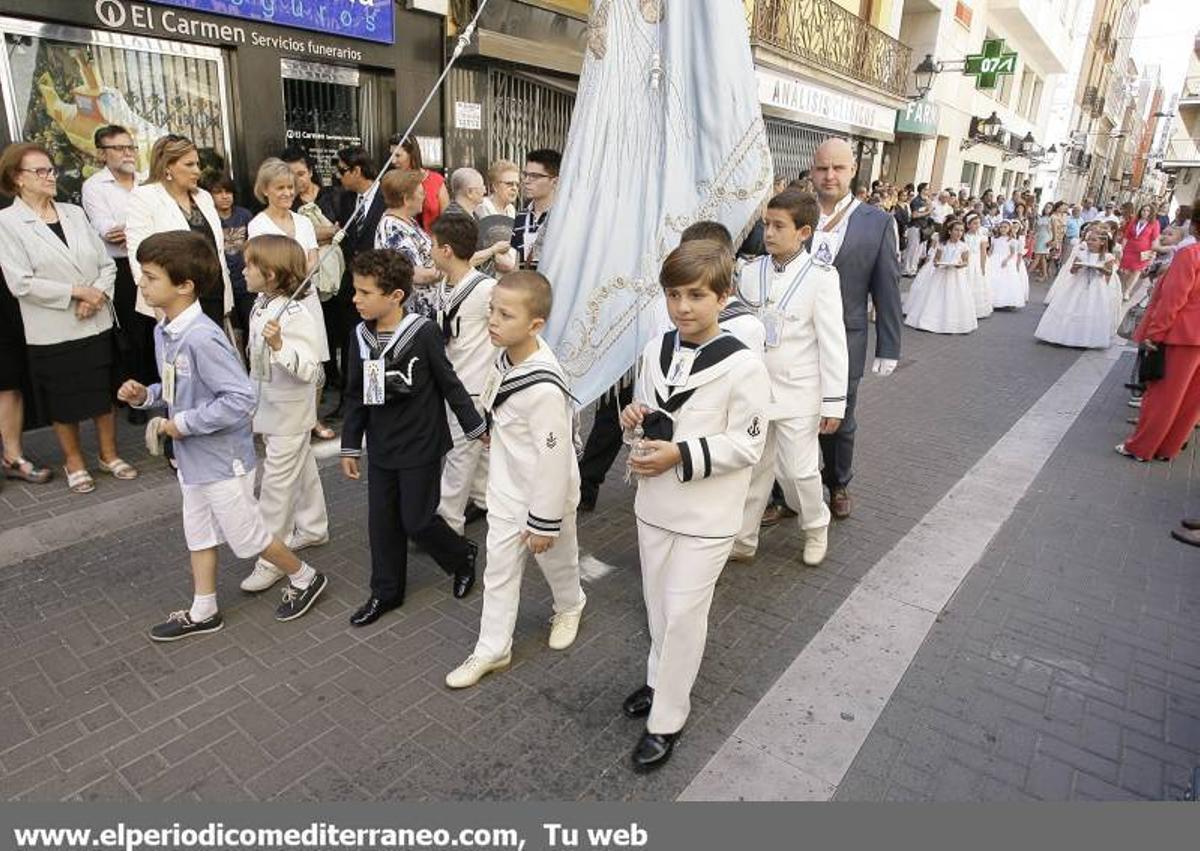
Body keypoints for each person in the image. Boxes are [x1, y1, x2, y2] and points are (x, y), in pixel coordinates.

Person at [117, 231, 327, 640]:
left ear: (184, 286)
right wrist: (147, 396)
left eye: (150, 276)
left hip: (220, 459)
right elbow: (177, 388)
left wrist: (185, 424)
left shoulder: (202, 336)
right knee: (197, 532)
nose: (140, 283)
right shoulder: (166, 331)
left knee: (248, 537)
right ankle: (204, 608)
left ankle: (305, 577)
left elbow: (238, 398)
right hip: (191, 458)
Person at [618, 240, 770, 771]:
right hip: (654, 503)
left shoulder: (744, 365)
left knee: (684, 614)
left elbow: (748, 443)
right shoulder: (656, 348)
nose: (683, 306)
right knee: (658, 606)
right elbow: (649, 416)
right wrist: (633, 422)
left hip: (706, 514)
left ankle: (668, 718)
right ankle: (659, 680)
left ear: (723, 297)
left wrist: (680, 452)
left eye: (697, 295)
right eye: (673, 294)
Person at [445, 271, 587, 689]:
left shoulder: (544, 386)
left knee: (558, 561)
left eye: (505, 314)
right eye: (492, 310)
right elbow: (498, 394)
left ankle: (570, 604)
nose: (493, 320)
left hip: (545, 496)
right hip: (507, 491)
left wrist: (544, 521)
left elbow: (555, 457)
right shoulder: (506, 354)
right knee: (499, 571)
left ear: (535, 325)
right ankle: (493, 648)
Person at [338, 250, 486, 626]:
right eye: (355, 290)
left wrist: (475, 427)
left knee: (417, 521)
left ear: (395, 296)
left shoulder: (423, 333)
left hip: (420, 442)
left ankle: (460, 555)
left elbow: (450, 383)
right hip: (383, 444)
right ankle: (385, 592)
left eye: (364, 292)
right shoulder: (358, 335)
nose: (355, 299)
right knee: (382, 522)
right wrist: (350, 445)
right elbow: (356, 394)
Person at [0, 142, 137, 494]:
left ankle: (109, 454)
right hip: (53, 328)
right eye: (40, 171)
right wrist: (77, 292)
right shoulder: (7, 223)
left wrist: (98, 294)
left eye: (51, 169)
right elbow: (20, 282)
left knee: (103, 394)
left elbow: (107, 264)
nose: (50, 176)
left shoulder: (73, 212)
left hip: (95, 319)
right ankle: (74, 461)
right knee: (63, 400)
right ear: (18, 178)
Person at [732, 190, 847, 565]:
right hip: (754, 392)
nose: (769, 233)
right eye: (766, 224)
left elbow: (833, 344)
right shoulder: (749, 272)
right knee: (752, 471)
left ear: (804, 232)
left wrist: (834, 402)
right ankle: (743, 540)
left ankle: (816, 526)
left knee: (799, 472)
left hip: (799, 391)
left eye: (779, 226)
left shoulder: (822, 278)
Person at [807, 138, 902, 520]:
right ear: (812, 171)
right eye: (822, 168)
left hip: (846, 339)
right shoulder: (796, 212)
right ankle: (781, 493)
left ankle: (838, 484)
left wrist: (889, 346)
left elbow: (887, 286)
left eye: (838, 168)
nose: (830, 176)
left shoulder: (877, 222)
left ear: (852, 171)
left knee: (840, 421)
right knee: (788, 416)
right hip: (795, 338)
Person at [236, 235, 329, 594]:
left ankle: (271, 558)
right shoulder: (261, 303)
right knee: (302, 470)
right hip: (270, 410)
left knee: (275, 487)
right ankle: (313, 526)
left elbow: (310, 369)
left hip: (289, 413)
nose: (242, 271)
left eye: (249, 265)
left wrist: (279, 345)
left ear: (271, 274)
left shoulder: (296, 314)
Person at [247, 158, 335, 440]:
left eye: (290, 187)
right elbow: (267, 266)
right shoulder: (258, 224)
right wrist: (298, 271)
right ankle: (279, 418)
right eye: (279, 188)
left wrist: (305, 270)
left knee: (314, 357)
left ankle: (312, 417)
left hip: (307, 299)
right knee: (279, 360)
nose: (286, 193)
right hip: (276, 303)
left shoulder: (303, 222)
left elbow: (312, 256)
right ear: (265, 190)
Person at [81, 124, 156, 410]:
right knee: (132, 332)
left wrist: (135, 231)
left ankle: (160, 391)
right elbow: (108, 231)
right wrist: (140, 229)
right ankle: (136, 399)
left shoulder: (147, 180)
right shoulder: (94, 186)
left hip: (152, 261)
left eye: (130, 147)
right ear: (102, 154)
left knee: (158, 326)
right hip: (121, 267)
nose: (128, 154)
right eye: (119, 148)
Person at [430, 214, 496, 536]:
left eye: (431, 244)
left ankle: (447, 523)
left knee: (459, 454)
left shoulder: (486, 289)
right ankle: (483, 498)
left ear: (445, 250)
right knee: (475, 450)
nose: (428, 250)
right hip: (451, 381)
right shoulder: (444, 284)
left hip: (473, 386)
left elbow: (503, 332)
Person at [125, 134, 233, 327]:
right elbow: (138, 256)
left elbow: (217, 251)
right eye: (189, 165)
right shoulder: (144, 197)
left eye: (197, 165)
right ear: (168, 167)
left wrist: (226, 302)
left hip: (213, 294)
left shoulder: (204, 198)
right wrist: (162, 313)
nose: (197, 171)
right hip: (172, 301)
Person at [1118, 215, 1200, 463]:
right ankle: (1168, 448)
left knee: (1163, 396)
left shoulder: (1191, 254)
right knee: (1190, 400)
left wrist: (1155, 333)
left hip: (1181, 334)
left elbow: (1173, 298)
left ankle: (1141, 447)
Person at [331, 145, 387, 408]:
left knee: (376, 341)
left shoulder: (387, 196)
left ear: (357, 170)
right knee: (351, 341)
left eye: (342, 171)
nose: (338, 177)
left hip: (379, 285)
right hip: (351, 283)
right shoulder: (344, 199)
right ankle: (349, 400)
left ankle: (374, 396)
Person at [1034, 228, 1120, 349]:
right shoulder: (1082, 253)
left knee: (1090, 308)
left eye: (1093, 240)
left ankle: (1085, 338)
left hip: (1095, 286)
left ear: (1102, 243)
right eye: (1088, 239)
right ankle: (1063, 334)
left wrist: (1100, 268)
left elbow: (1108, 272)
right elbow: (1072, 270)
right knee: (1071, 305)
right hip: (1077, 283)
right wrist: (1078, 267)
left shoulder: (1108, 257)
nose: (1089, 242)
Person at [375, 169, 440, 319]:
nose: (424, 197)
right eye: (421, 193)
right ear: (406, 199)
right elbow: (413, 274)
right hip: (413, 314)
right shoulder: (392, 228)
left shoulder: (408, 221)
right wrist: (448, 269)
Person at [201, 173, 254, 336]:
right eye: (218, 192)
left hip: (246, 283)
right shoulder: (208, 218)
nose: (225, 196)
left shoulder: (244, 215)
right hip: (223, 283)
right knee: (230, 331)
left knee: (251, 326)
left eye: (228, 192)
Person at [904, 218, 977, 335]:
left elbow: (965, 262)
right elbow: (936, 259)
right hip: (941, 273)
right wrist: (938, 263)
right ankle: (929, 322)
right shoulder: (942, 244)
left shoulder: (964, 246)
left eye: (961, 231)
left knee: (954, 297)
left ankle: (953, 325)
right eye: (956, 230)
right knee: (935, 296)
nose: (959, 233)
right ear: (950, 231)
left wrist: (960, 265)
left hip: (956, 275)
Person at [510, 149, 561, 270]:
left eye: (534, 176)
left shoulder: (564, 218)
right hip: (526, 286)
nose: (526, 181)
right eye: (525, 175)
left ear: (555, 181)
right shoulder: (520, 218)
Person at [388, 135, 447, 231]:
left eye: (398, 155)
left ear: (411, 154)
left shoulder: (436, 180)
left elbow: (446, 217)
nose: (393, 161)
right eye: (391, 155)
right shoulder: (394, 182)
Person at [1118, 204, 1161, 300]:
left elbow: (1155, 239)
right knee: (1125, 271)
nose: (1145, 212)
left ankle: (1127, 291)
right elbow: (1126, 236)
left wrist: (1153, 253)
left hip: (1144, 252)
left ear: (1151, 213)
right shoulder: (1134, 221)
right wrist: (1122, 248)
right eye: (1143, 210)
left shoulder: (1154, 223)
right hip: (1129, 249)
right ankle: (1123, 287)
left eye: (1147, 211)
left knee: (1136, 271)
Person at [987, 219, 1025, 309]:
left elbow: (1012, 253)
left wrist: (1006, 260)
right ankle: (992, 300)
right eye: (1001, 227)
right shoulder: (995, 239)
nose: (1003, 229)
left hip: (1005, 260)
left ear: (1009, 228)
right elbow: (990, 251)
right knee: (993, 279)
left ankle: (1006, 301)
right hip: (994, 259)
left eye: (1005, 227)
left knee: (1005, 281)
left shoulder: (1012, 240)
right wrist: (987, 259)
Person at [963, 213, 992, 319]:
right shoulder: (964, 236)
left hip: (976, 261)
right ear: (968, 225)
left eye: (978, 223)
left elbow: (983, 253)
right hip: (966, 260)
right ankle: (964, 307)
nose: (977, 226)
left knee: (976, 281)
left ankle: (975, 308)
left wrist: (982, 267)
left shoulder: (982, 238)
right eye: (974, 223)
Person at [1031, 203, 1054, 280]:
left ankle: (1027, 272)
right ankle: (1045, 274)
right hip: (1039, 237)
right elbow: (1036, 228)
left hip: (1045, 238)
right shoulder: (1041, 217)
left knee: (1037, 256)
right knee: (1042, 257)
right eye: (1046, 207)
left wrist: (1052, 240)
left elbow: (1053, 231)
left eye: (1049, 207)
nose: (1047, 208)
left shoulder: (1051, 218)